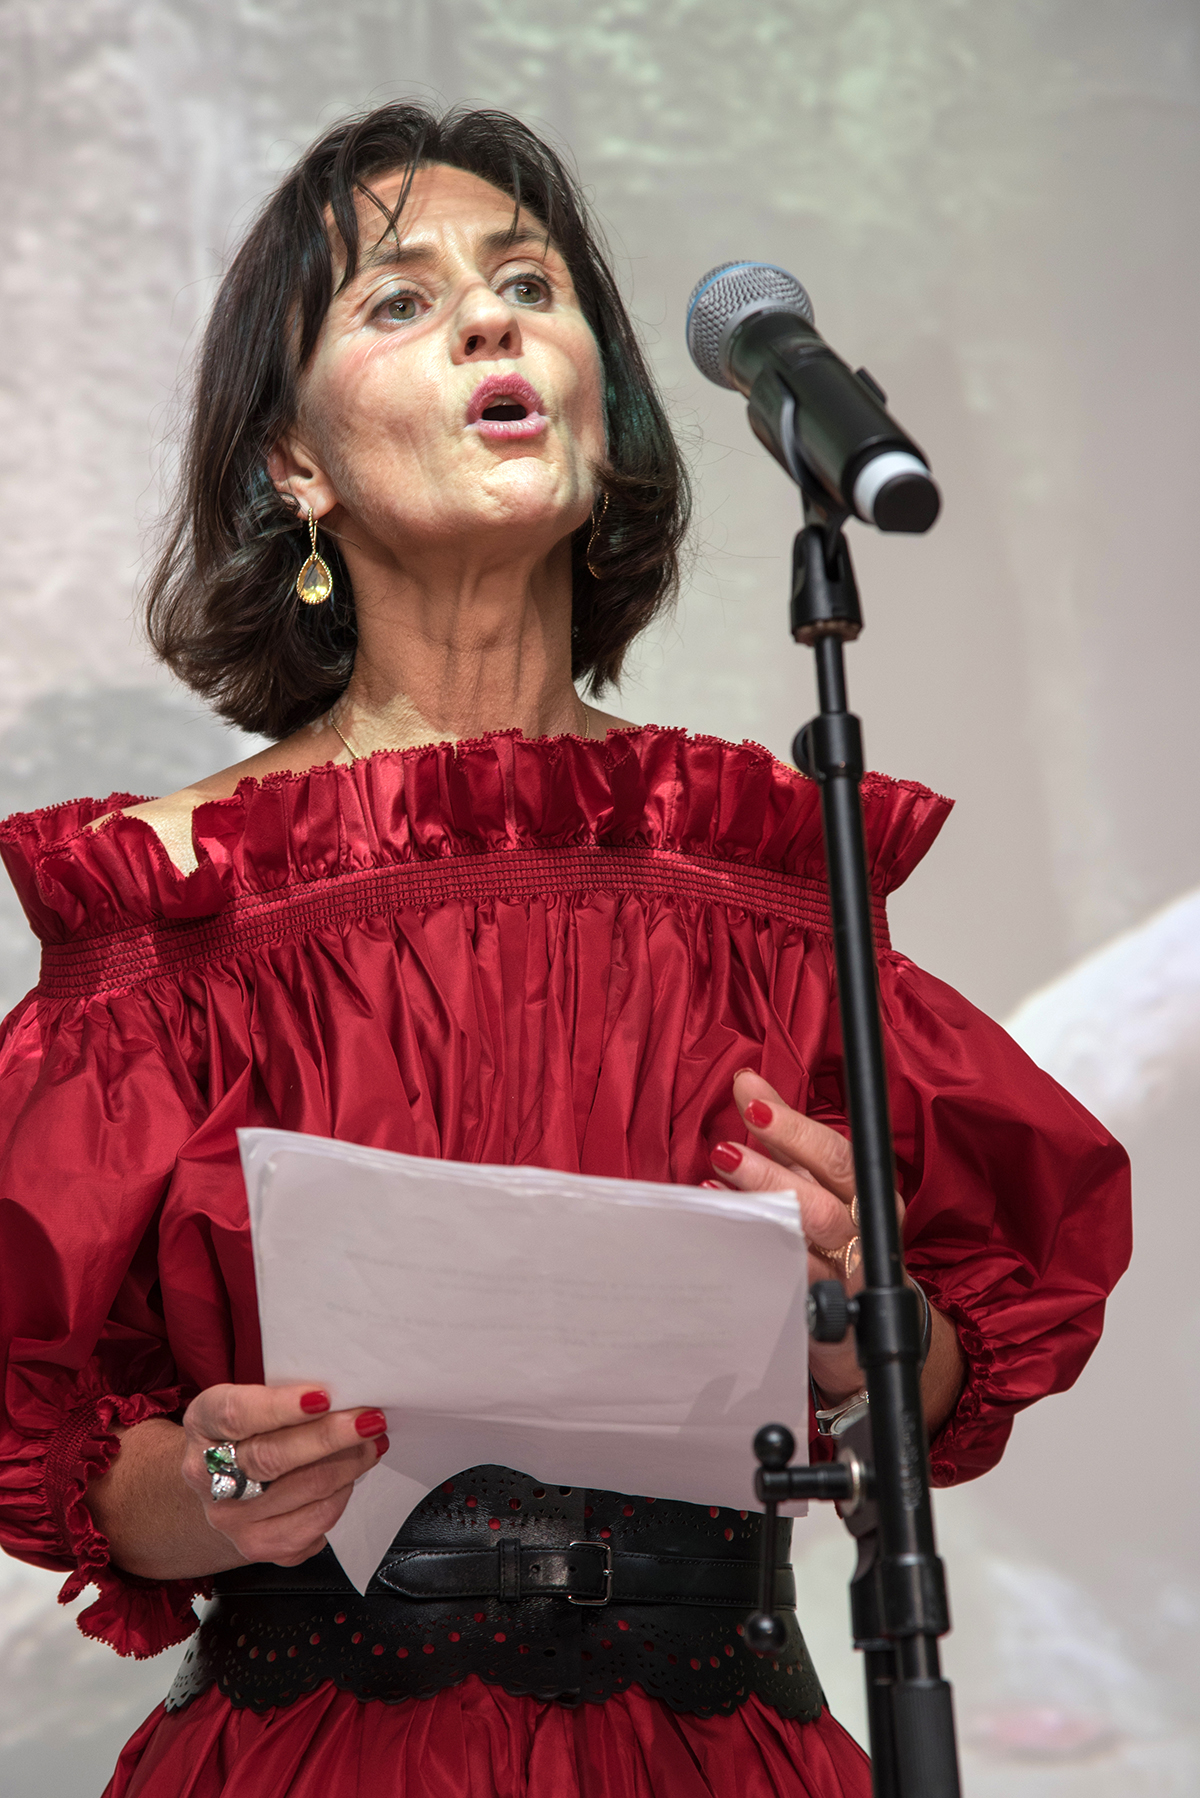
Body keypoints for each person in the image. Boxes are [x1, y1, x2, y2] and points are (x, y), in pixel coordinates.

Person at [0, 102, 1130, 1798]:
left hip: (726, 1744)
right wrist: (220, 1488)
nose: (492, 316)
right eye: (398, 299)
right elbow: (66, 1447)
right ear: (292, 461)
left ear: (600, 404)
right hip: (326, 1749)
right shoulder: (173, 897)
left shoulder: (765, 868)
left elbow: (953, 1361)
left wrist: (845, 1312)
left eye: (531, 282)